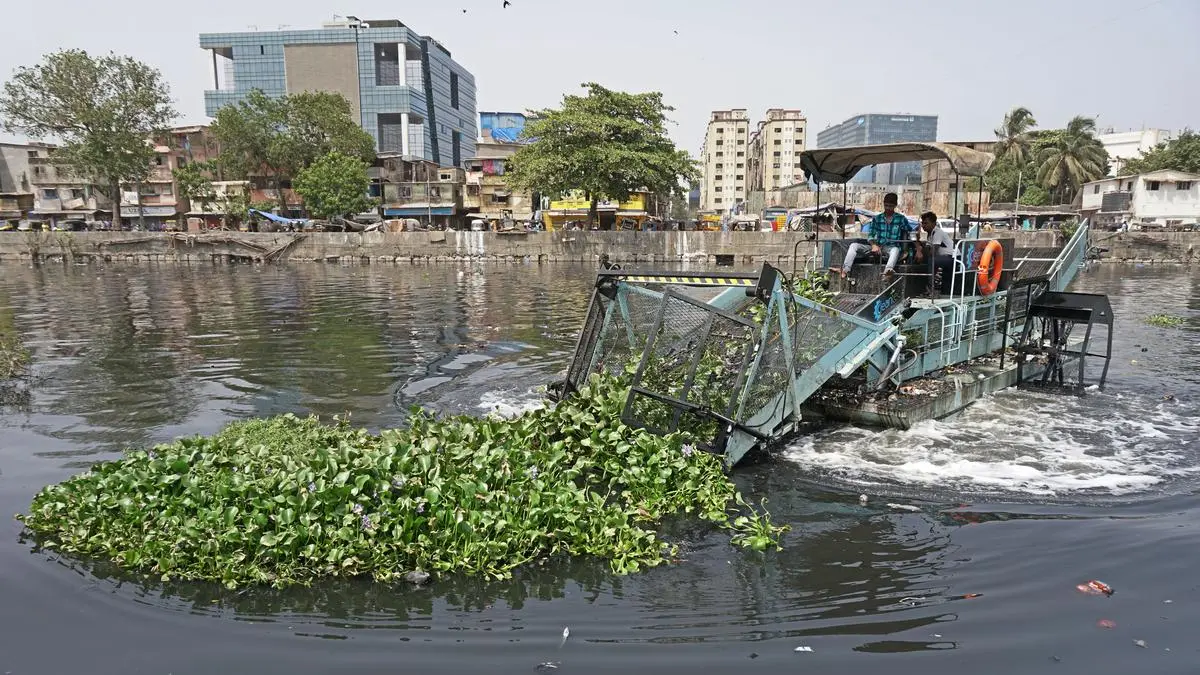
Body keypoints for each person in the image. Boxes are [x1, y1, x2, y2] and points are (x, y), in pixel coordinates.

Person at [840, 192, 910, 279]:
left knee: (895, 250)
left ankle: (888, 271)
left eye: (890, 206)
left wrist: (918, 248)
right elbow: (871, 235)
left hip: (891, 248)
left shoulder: (901, 219)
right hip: (878, 247)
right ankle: (845, 270)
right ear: (884, 204)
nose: (888, 208)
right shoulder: (877, 218)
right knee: (854, 246)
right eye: (886, 205)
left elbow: (911, 233)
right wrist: (874, 245)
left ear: (895, 205)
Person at [914, 211, 956, 295]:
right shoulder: (930, 235)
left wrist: (921, 251)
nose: (923, 225)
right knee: (930, 260)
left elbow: (932, 252)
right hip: (945, 257)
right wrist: (917, 241)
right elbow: (927, 249)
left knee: (931, 261)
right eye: (922, 223)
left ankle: (930, 288)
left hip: (952, 257)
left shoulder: (937, 233)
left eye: (926, 223)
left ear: (934, 223)